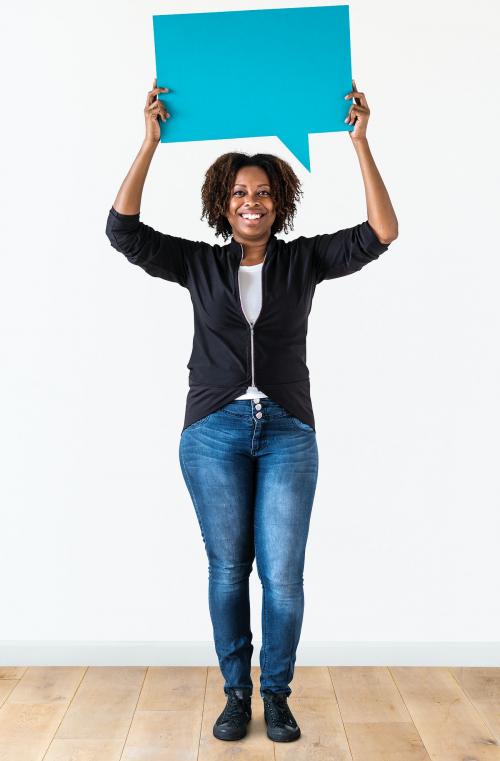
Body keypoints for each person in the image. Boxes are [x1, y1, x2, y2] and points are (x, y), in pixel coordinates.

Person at [105, 77, 398, 744]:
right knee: (227, 569)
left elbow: (383, 231)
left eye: (262, 191)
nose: (252, 201)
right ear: (222, 201)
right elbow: (121, 230)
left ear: (279, 200)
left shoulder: (305, 261)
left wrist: (361, 143)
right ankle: (237, 694)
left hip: (289, 431)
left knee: (285, 577)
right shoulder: (198, 265)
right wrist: (148, 141)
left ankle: (278, 693)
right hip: (213, 433)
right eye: (240, 192)